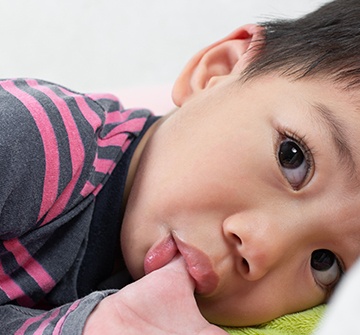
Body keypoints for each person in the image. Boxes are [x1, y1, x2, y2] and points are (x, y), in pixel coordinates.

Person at [1, 0, 360, 333]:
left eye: (325, 263)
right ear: (218, 71)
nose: (261, 249)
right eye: (292, 157)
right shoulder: (32, 136)